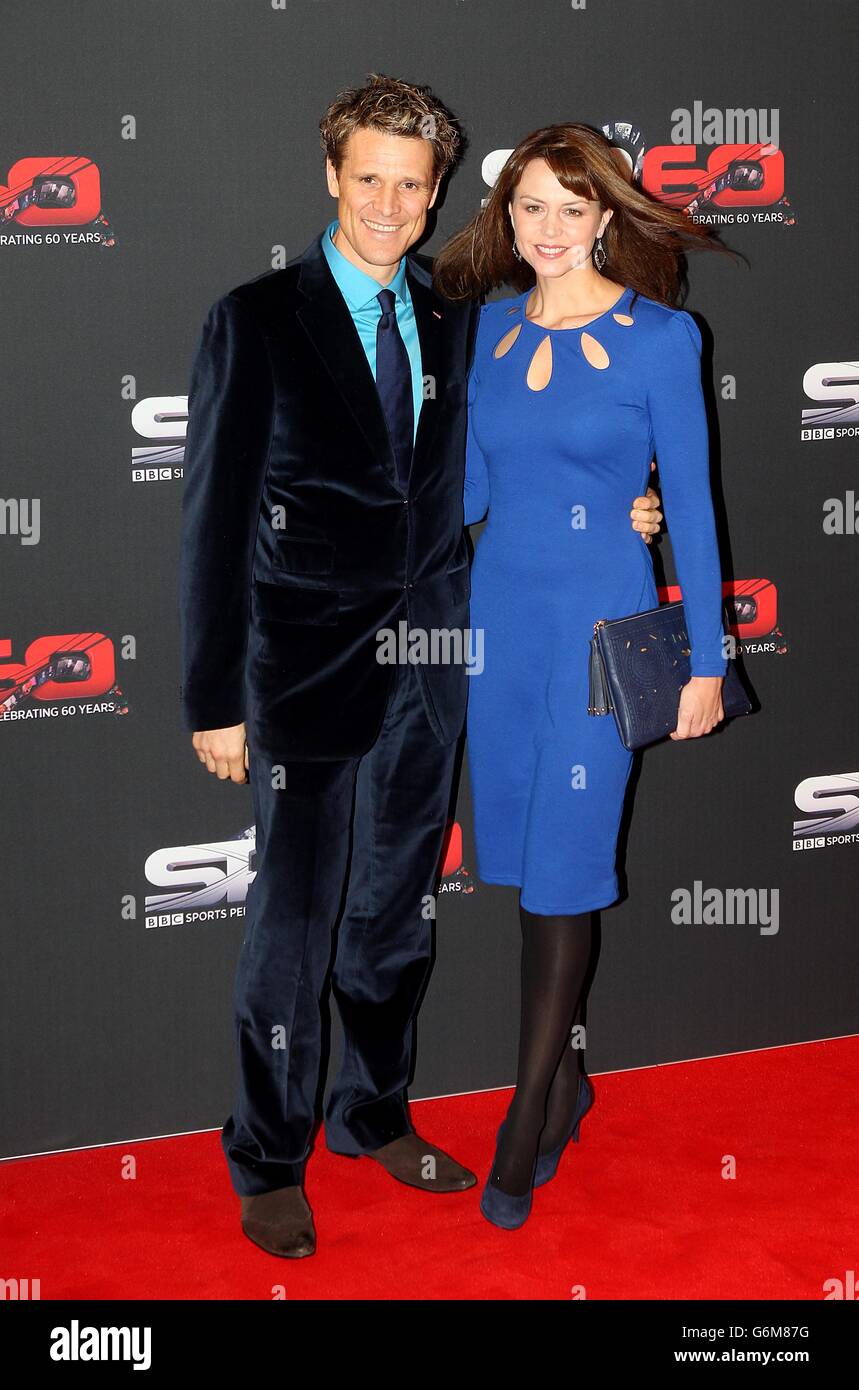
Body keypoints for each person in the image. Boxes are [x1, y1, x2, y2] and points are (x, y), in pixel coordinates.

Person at [178, 79, 664, 1259]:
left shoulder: (460, 317)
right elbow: (212, 516)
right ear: (330, 178)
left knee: (395, 911)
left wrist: (625, 510)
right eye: (369, 179)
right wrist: (213, 696)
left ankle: (374, 1115)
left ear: (437, 188)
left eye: (413, 181)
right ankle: (269, 1154)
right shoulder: (256, 319)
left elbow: (519, 460)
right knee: (292, 924)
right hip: (298, 673)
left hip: (435, 658)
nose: (391, 204)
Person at [433, 123, 734, 1229]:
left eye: (571, 206)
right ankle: (566, 1077)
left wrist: (707, 656)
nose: (548, 228)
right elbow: (459, 494)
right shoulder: (486, 333)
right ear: (503, 217)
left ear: (607, 215)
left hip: (601, 630)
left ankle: (525, 1116)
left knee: (563, 869)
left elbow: (691, 507)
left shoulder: (663, 338)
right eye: (528, 207)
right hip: (502, 626)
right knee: (519, 867)